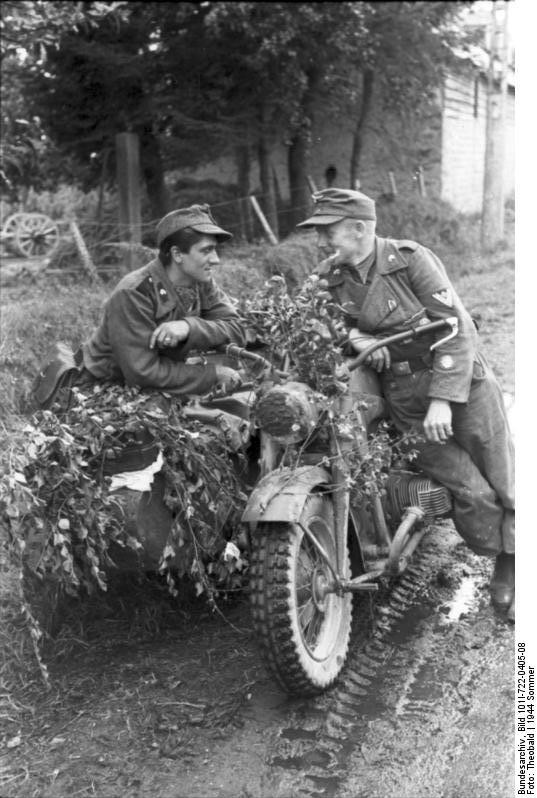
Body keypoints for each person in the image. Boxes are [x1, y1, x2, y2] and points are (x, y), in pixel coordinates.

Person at [296, 187, 515, 620]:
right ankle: (501, 549)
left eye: (329, 231)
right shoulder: (329, 276)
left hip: (461, 387)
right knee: (469, 490)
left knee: (505, 479)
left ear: (359, 229)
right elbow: (313, 324)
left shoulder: (410, 260)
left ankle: (510, 567)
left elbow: (457, 329)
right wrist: (354, 337)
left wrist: (442, 400)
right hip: (404, 400)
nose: (322, 241)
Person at [78, 204, 245, 396]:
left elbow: (236, 329)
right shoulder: (134, 293)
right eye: (206, 251)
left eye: (214, 250)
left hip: (153, 384)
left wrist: (189, 327)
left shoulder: (200, 281)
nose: (215, 259)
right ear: (177, 254)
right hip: (100, 390)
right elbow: (142, 372)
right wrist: (212, 374)